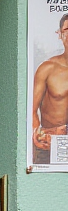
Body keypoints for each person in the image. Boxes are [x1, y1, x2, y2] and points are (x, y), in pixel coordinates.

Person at [32, 14, 68, 165]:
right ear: (59, 34)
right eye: (67, 29)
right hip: (50, 144)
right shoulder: (47, 68)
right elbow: (31, 110)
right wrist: (36, 133)